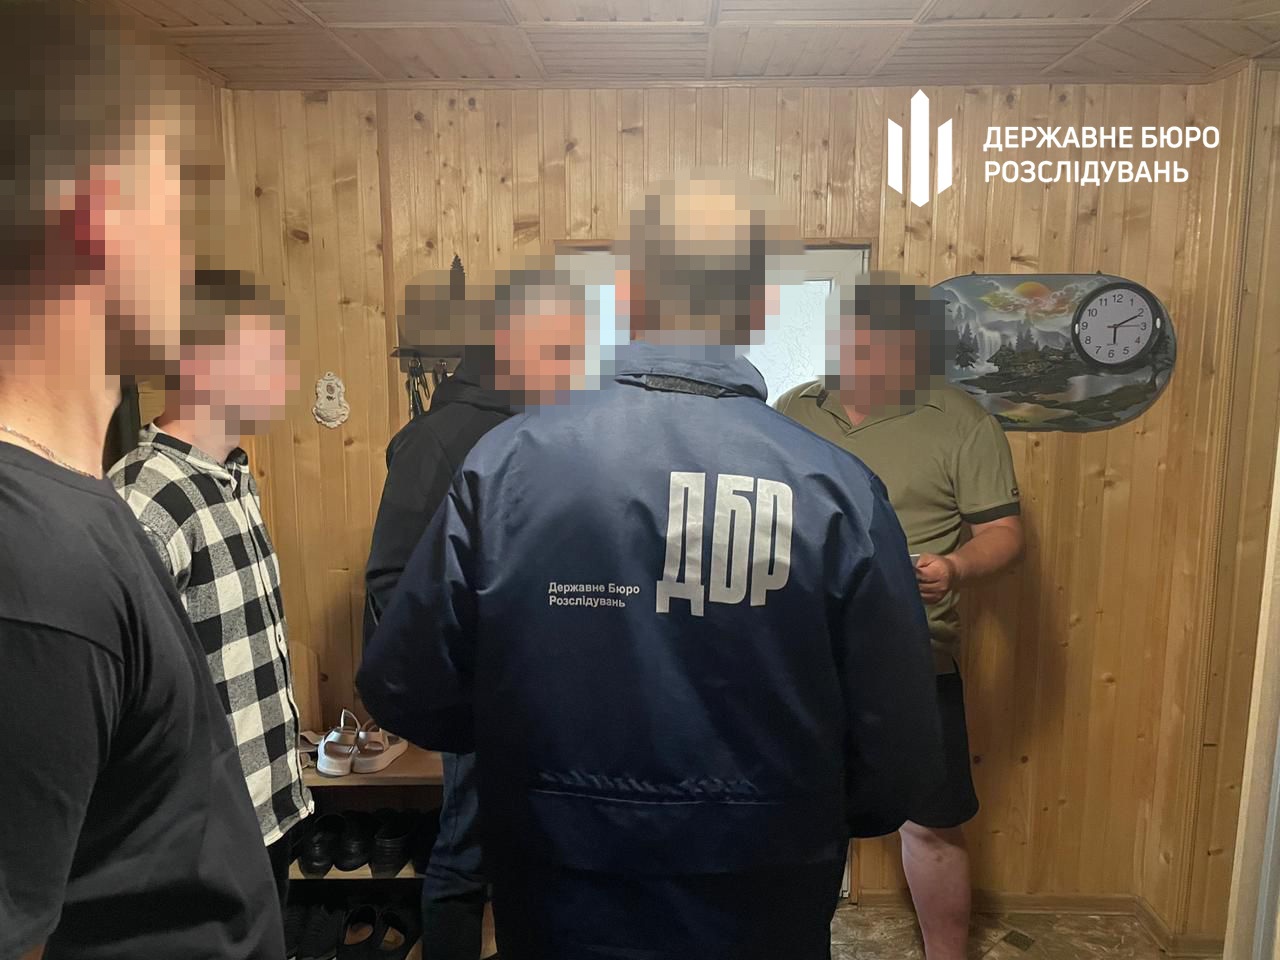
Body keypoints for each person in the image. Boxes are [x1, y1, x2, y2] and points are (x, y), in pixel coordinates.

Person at [357, 176, 946, 960]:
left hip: (561, 875)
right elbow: (897, 755)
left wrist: (523, 748)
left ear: (628, 294)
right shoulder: (836, 491)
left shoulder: (508, 467)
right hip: (764, 883)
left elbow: (405, 687)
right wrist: (800, 808)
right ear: (758, 306)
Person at [0, 4, 284, 959]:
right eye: (174, 209)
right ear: (99, 214)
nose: (187, 257)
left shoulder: (71, 518)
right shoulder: (31, 566)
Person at [775, 275, 1025, 960]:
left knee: (931, 823)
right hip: (799, 657)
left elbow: (1004, 533)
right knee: (796, 813)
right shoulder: (793, 408)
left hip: (912, 656)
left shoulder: (961, 420)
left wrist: (956, 567)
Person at [364, 263, 585, 960]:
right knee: (464, 855)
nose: (574, 366)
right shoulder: (436, 440)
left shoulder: (553, 427)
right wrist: (464, 686)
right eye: (561, 348)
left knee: (539, 855)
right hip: (485, 698)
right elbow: (391, 580)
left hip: (554, 693)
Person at [109, 268, 309, 914]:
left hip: (260, 815)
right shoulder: (145, 497)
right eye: (268, 354)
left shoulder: (231, 481)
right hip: (200, 841)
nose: (287, 376)